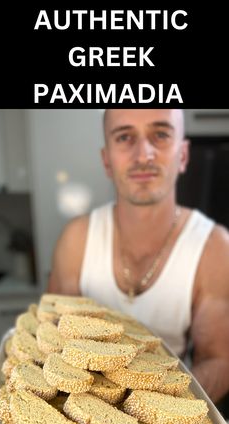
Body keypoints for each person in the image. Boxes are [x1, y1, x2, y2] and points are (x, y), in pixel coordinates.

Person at [48, 109, 229, 404]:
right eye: (125, 137)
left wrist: (160, 411)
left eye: (160, 135)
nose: (143, 154)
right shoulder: (76, 240)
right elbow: (52, 343)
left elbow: (219, 360)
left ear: (182, 155)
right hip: (84, 409)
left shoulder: (214, 246)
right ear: (107, 160)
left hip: (172, 402)